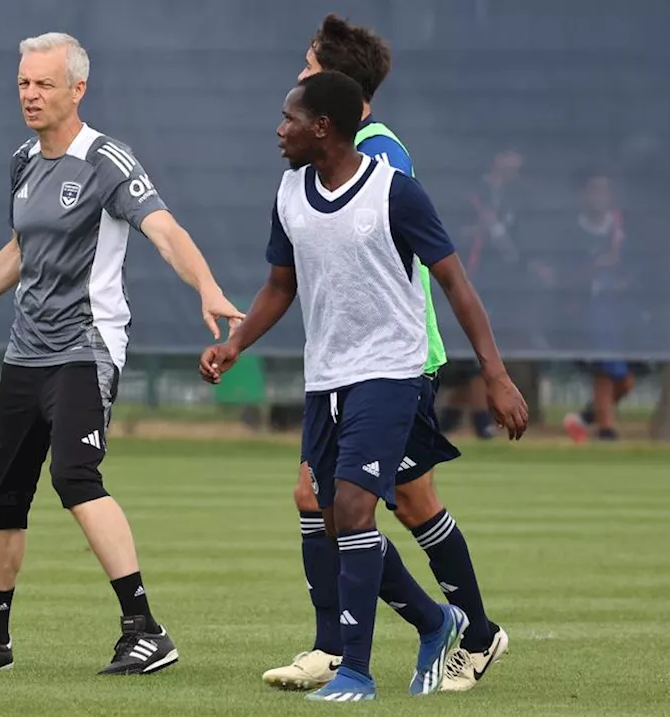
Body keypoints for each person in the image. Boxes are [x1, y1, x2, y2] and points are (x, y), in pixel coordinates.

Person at [0, 31, 243, 676]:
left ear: (77, 89)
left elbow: (164, 230)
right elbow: (20, 250)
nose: (30, 95)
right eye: (24, 83)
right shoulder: (23, 160)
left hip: (86, 346)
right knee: (5, 496)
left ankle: (145, 628)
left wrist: (209, 287)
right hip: (25, 351)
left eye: (44, 84)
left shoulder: (107, 161)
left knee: (75, 477)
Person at [201, 71, 529, 701]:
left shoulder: (395, 193)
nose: (279, 129)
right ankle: (436, 623)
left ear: (322, 126)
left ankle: (354, 670)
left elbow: (457, 284)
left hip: (392, 372)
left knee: (356, 509)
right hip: (326, 377)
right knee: (331, 520)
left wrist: (495, 373)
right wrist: (235, 344)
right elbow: (280, 286)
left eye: (288, 118)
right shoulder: (290, 191)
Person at [261, 14, 508, 694]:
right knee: (334, 497)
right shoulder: (317, 159)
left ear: (334, 89)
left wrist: (489, 369)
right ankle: (346, 643)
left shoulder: (377, 155)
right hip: (348, 362)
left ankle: (459, 633)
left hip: (397, 359)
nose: (300, 78)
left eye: (308, 69)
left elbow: (404, 251)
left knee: (391, 501)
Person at [560, 168, 636, 442]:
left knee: (626, 380)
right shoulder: (571, 233)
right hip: (586, 313)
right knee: (603, 372)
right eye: (594, 190)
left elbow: (635, 272)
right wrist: (597, 267)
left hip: (620, 315)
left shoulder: (622, 230)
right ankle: (607, 431)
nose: (600, 197)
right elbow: (562, 277)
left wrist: (622, 282)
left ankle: (583, 419)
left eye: (605, 190)